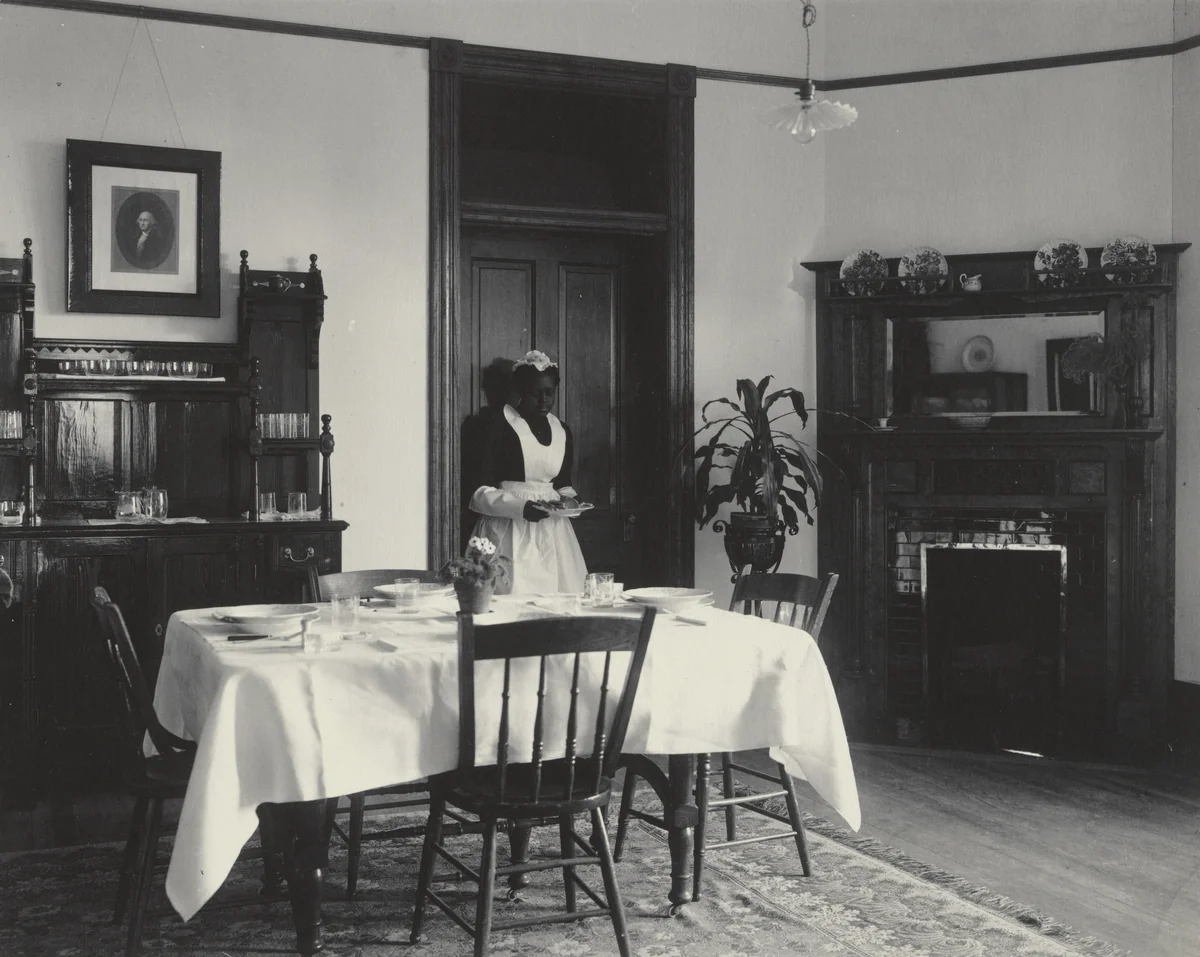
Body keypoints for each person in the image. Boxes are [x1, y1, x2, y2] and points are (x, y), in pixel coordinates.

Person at [468, 349, 587, 595]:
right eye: (536, 394)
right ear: (520, 391)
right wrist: (521, 508)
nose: (544, 400)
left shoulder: (562, 430)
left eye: (549, 393)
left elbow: (562, 484)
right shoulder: (497, 424)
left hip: (553, 533)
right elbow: (478, 492)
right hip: (507, 529)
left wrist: (571, 501)